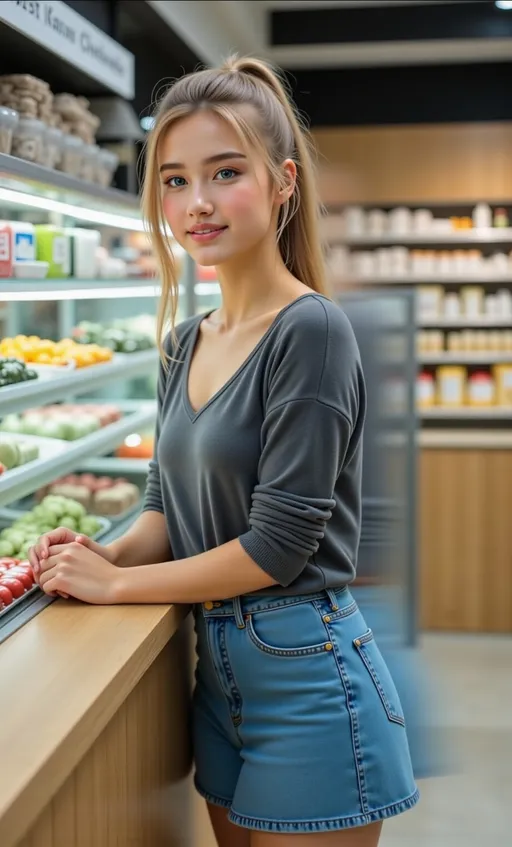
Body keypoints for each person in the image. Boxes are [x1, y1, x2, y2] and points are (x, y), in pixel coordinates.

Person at [30, 56, 419, 846]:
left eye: (225, 172)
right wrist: (96, 554)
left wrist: (115, 589)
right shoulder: (184, 342)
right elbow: (164, 508)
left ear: (282, 183)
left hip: (309, 674)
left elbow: (278, 546)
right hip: (221, 673)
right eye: (174, 180)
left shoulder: (309, 331)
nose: (196, 203)